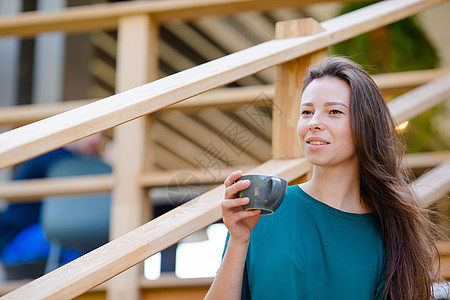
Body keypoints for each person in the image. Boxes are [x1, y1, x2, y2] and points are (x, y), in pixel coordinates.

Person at [205, 57, 441, 299]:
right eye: (306, 112)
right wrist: (238, 240)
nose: (314, 123)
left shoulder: (389, 231)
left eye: (334, 111)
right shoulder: (264, 212)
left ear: (366, 125)